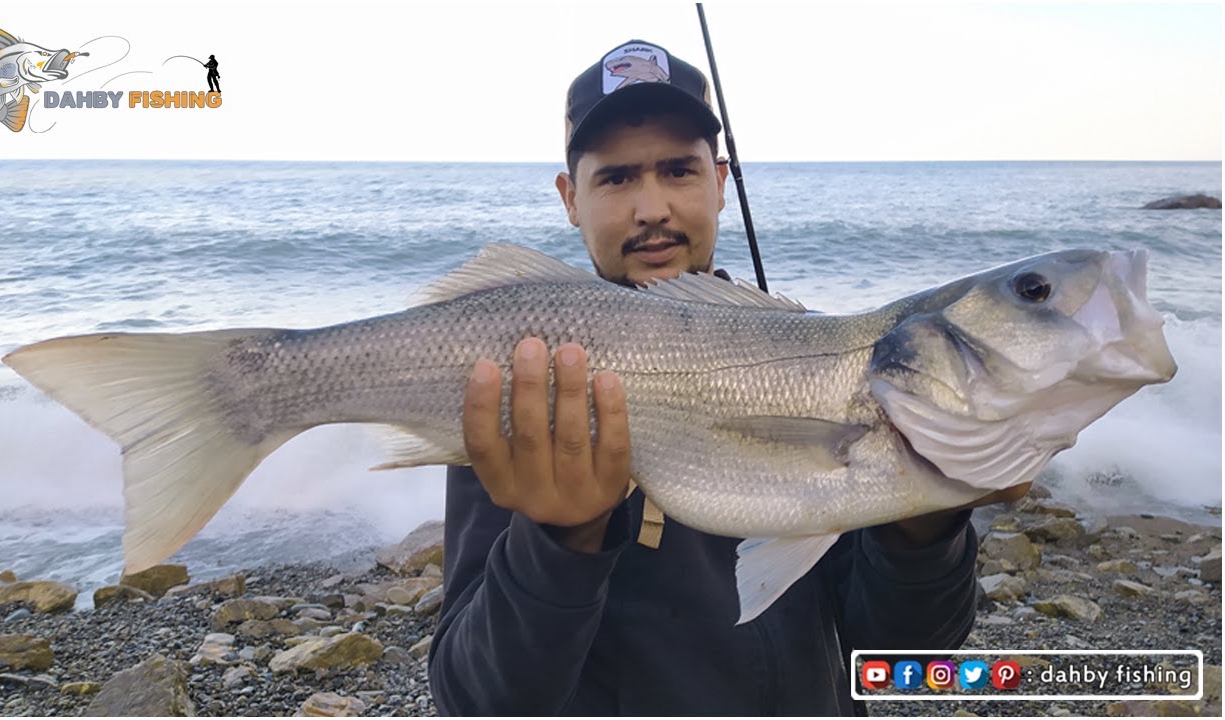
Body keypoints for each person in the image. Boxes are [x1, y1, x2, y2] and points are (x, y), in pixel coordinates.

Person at [427, 39, 1027, 715]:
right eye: (617, 178)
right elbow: (475, 700)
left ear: (719, 181)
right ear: (570, 198)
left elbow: (901, 660)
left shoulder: (831, 365)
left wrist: (925, 525)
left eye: (678, 171)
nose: (650, 207)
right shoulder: (525, 386)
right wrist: (558, 542)